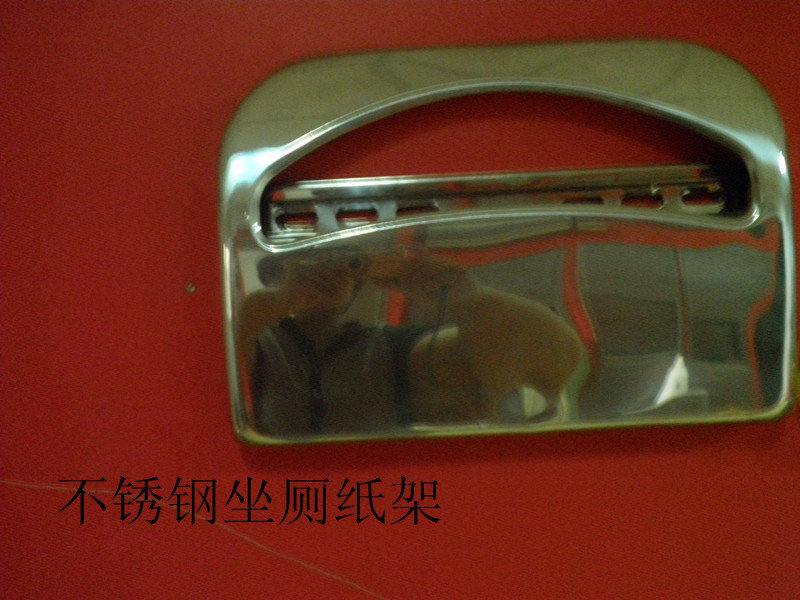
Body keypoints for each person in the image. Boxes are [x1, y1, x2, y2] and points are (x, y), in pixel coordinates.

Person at [238, 248, 584, 436]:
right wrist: (281, 299)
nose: (324, 268)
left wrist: (470, 298)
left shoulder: (389, 349)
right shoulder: (252, 335)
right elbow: (219, 373)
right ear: (273, 272)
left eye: (339, 257)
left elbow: (549, 358)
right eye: (306, 254)